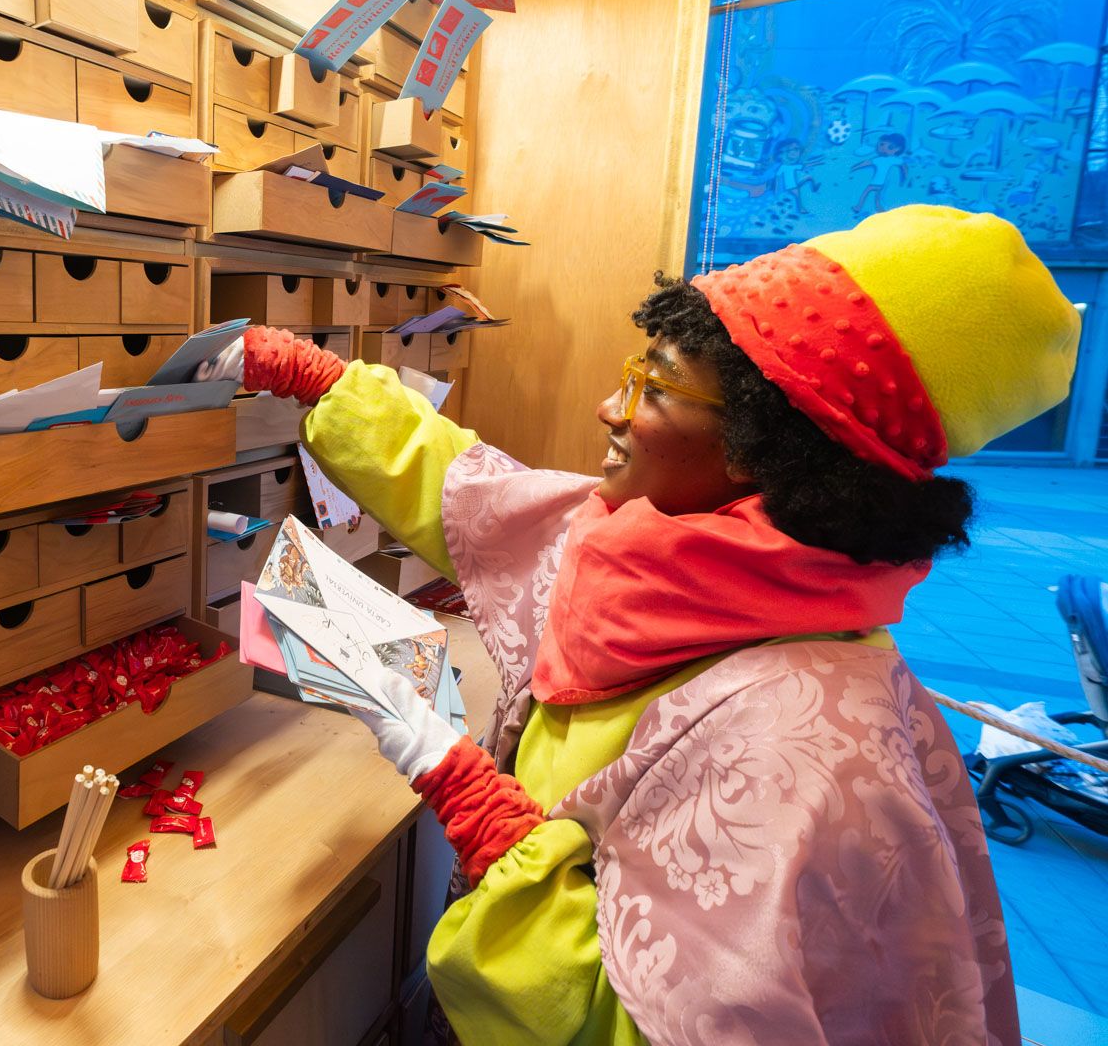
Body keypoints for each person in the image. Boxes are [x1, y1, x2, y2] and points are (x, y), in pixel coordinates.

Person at [198, 205, 1080, 1044]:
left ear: (777, 450)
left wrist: (473, 801)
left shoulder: (805, 753)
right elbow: (485, 497)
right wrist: (320, 380)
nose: (610, 410)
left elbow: (625, 1021)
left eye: (653, 387)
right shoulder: (696, 559)